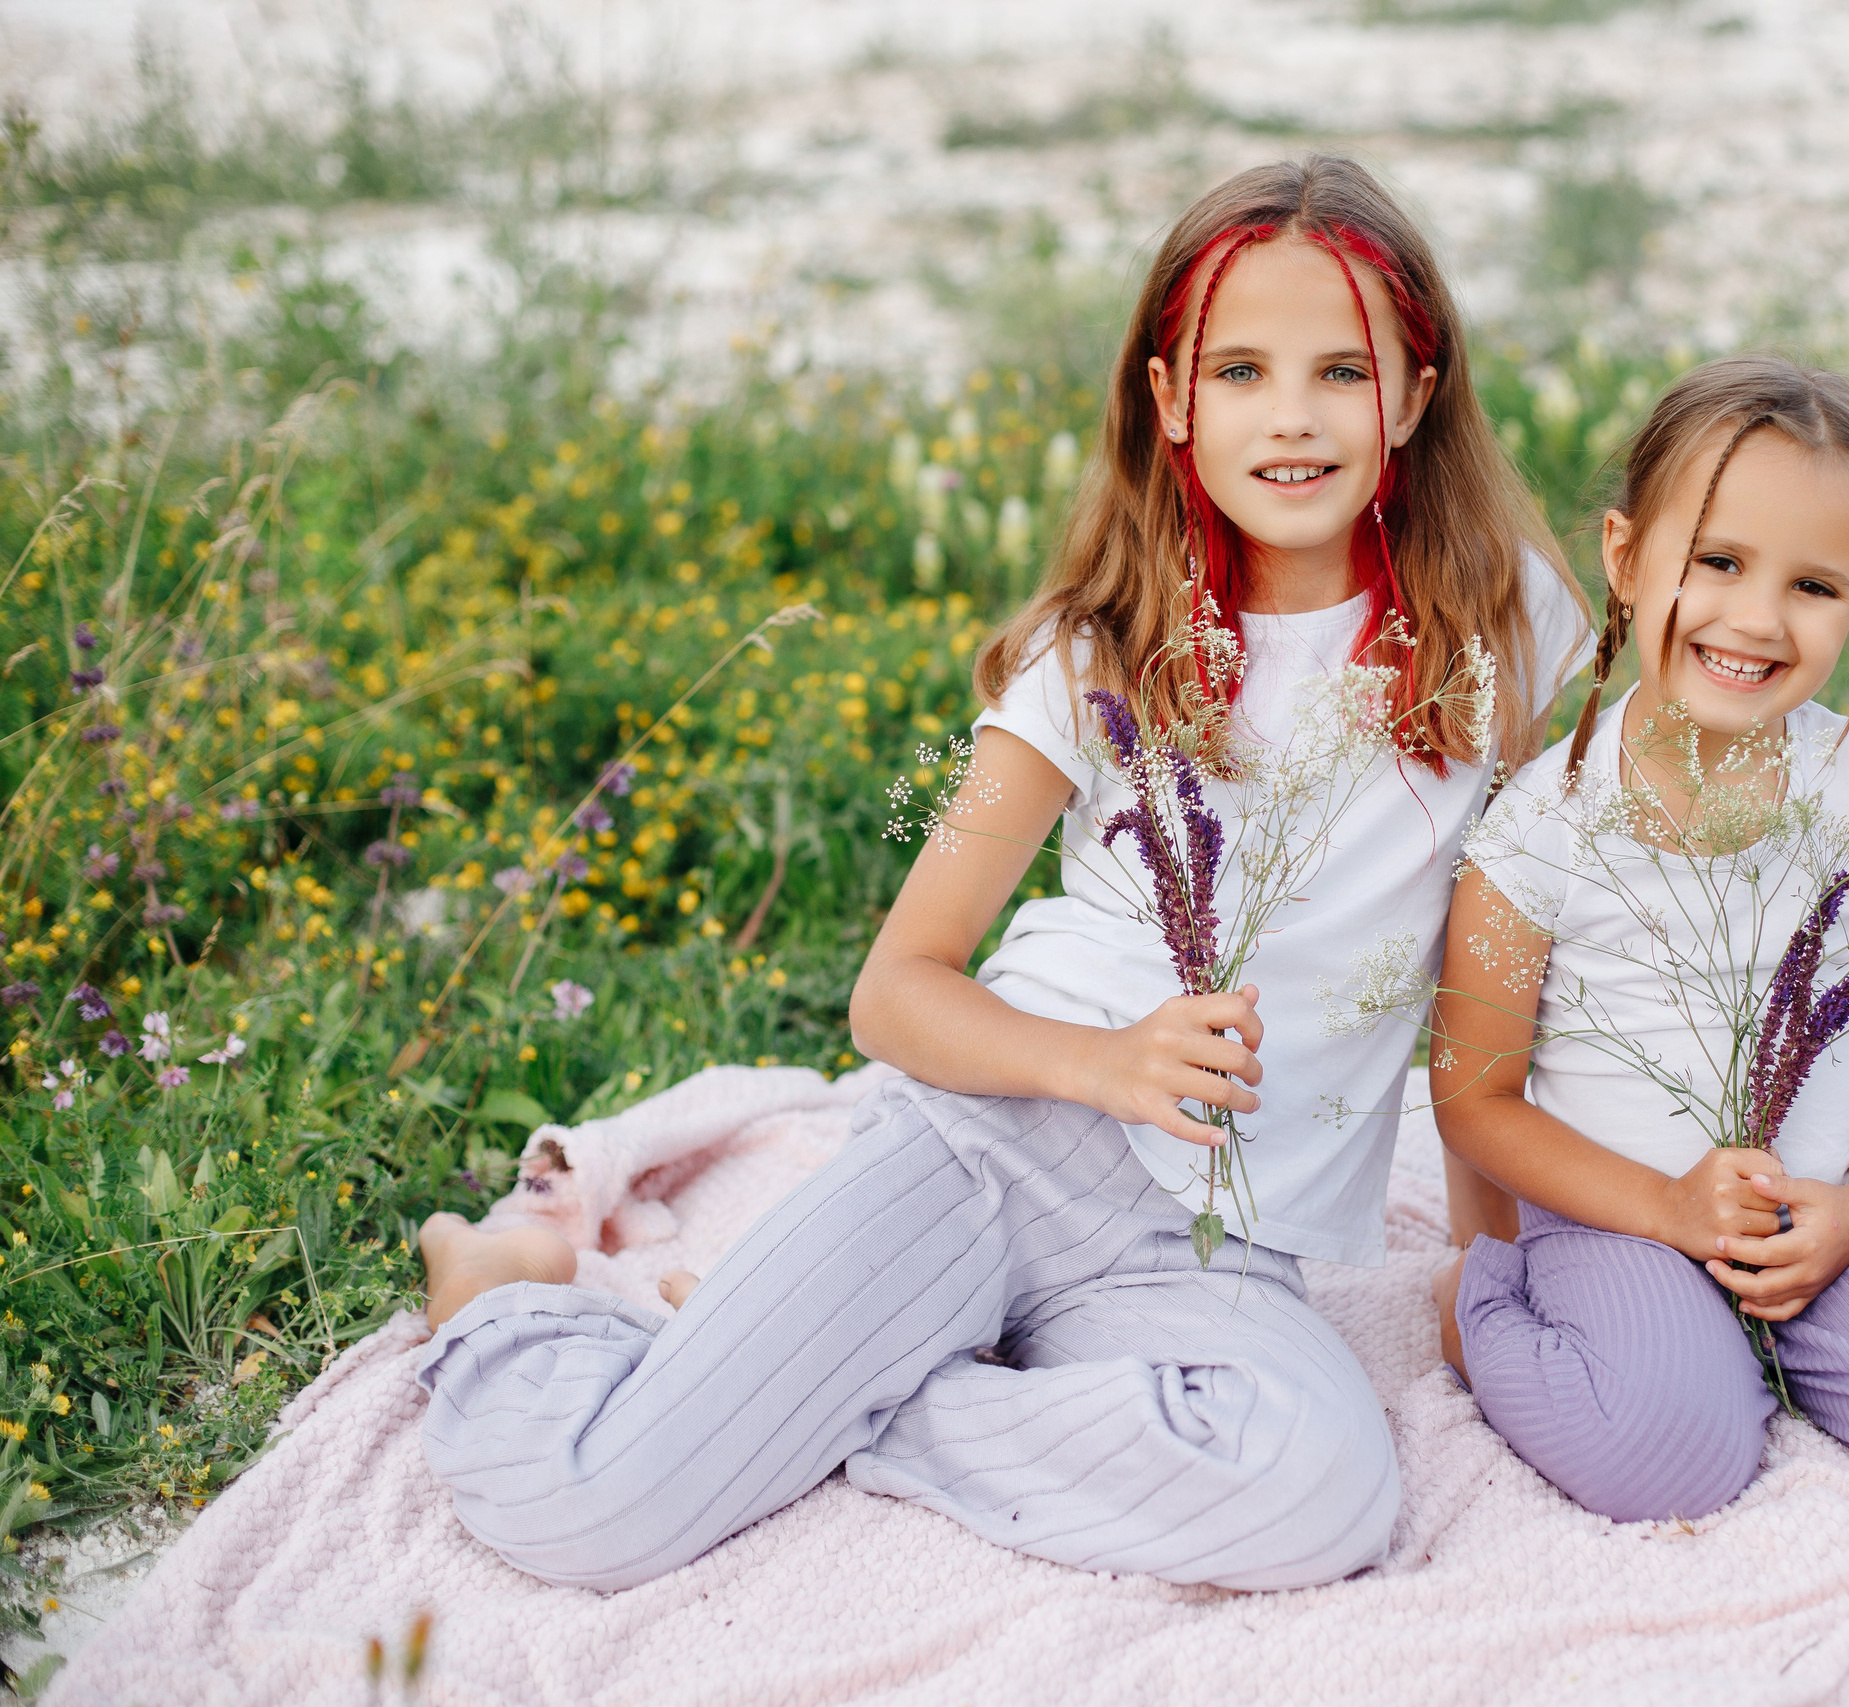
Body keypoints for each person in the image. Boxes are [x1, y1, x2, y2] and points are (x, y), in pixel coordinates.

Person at [411, 155, 1592, 1592]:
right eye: (1240, 370)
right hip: (997, 1153)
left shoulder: (1505, 627)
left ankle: (855, 1384)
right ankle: (498, 1304)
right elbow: (895, 994)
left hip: (1213, 1244)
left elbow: (1494, 961)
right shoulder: (1093, 649)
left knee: (1319, 1491)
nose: (1292, 413)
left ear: (1415, 393)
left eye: (1343, 368)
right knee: (592, 1514)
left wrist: (1497, 1265)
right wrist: (1104, 1062)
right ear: (1171, 402)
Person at [1430, 354, 1849, 1524]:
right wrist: (1668, 1211)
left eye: (1813, 587)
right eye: (1717, 562)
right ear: (1627, 560)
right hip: (1623, 1217)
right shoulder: (1539, 828)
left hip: (1826, 1211)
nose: (1754, 619)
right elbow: (1475, 1100)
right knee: (1671, 1463)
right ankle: (1484, 1309)